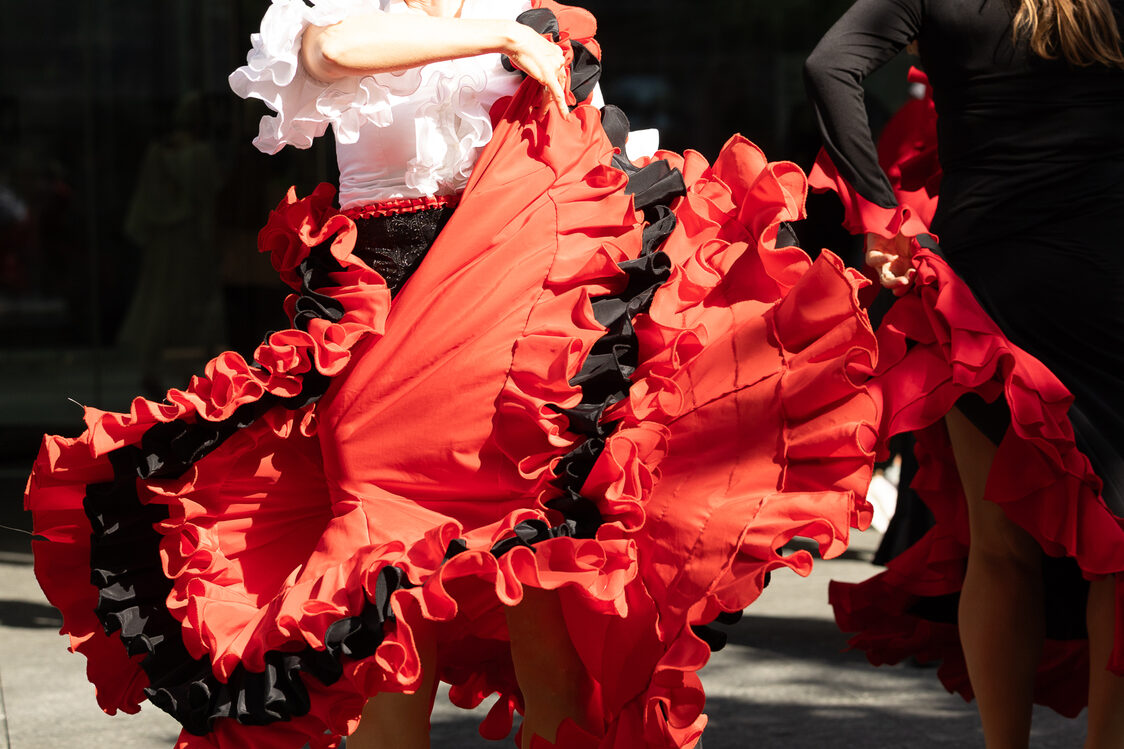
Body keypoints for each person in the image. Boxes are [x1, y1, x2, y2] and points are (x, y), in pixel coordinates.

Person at [25, 1, 878, 747]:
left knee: (544, 608)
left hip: (512, 358)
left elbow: (590, 189)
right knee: (387, 623)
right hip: (387, 354)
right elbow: (326, 52)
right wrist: (496, 32)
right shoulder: (358, 12)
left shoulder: (533, 14)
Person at [804, 0, 1124, 745]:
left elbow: (829, 64)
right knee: (1119, 537)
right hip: (1110, 267)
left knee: (1000, 544)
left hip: (990, 274)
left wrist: (883, 216)